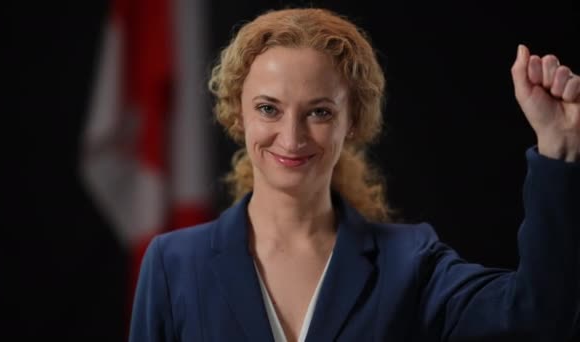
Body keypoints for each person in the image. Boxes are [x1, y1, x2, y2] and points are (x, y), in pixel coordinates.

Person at [128, 7, 580, 342]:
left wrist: (556, 148)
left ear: (353, 123)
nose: (291, 136)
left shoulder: (410, 261)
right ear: (237, 114)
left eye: (320, 112)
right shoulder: (173, 264)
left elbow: (538, 317)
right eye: (269, 109)